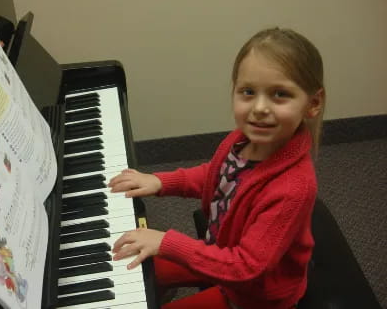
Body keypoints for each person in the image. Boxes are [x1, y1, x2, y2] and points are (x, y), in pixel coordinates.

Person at [108, 27, 325, 309]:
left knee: (152, 257)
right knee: (128, 263)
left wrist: (167, 243)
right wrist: (161, 182)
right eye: (248, 92)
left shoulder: (293, 189)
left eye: (279, 94)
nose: (259, 108)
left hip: (252, 293)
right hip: (220, 251)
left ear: (313, 103)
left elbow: (245, 268)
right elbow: (217, 175)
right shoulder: (243, 139)